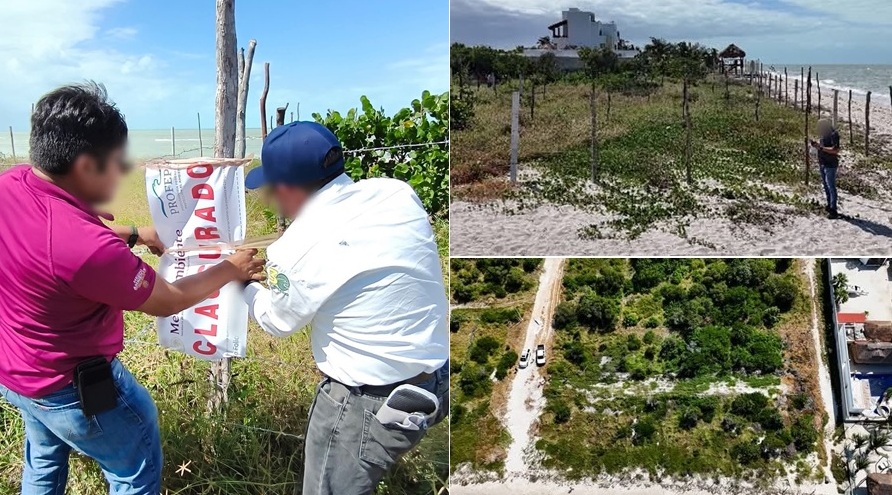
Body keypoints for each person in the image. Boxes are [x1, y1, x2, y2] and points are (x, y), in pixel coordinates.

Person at [0, 82, 265, 495]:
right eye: (116, 164)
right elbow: (169, 300)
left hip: (18, 372)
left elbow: (62, 231)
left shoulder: (11, 183)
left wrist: (134, 233)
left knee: (44, 461)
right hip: (74, 390)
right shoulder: (88, 249)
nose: (122, 173)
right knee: (133, 472)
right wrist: (229, 268)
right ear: (87, 167)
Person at [241, 121, 449, 495]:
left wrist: (242, 285)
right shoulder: (396, 192)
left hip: (366, 405)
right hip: (436, 377)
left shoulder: (299, 245)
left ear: (287, 188)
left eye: (271, 190)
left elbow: (277, 320)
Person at [810, 118, 841, 219]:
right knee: (826, 186)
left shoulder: (833, 134)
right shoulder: (823, 135)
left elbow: (835, 150)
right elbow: (821, 147)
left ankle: (833, 209)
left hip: (830, 165)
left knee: (831, 187)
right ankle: (829, 205)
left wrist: (820, 148)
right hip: (823, 163)